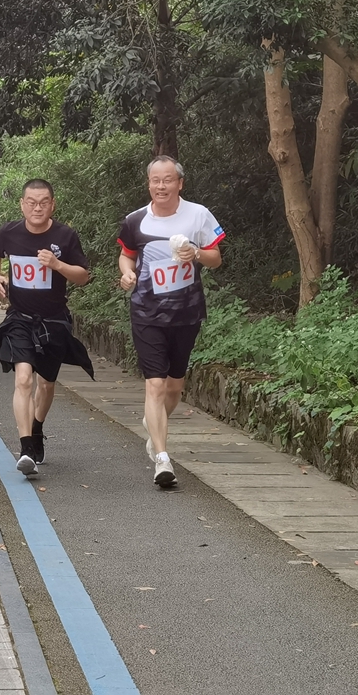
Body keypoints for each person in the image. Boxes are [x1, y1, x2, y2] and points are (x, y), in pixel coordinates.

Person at [118, 155, 224, 488]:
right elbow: (126, 255)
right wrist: (127, 273)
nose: (160, 186)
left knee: (175, 387)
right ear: (148, 184)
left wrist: (197, 253)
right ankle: (162, 459)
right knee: (155, 384)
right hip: (146, 312)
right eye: (155, 180)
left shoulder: (198, 214)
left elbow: (216, 259)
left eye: (167, 180)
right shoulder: (135, 220)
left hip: (186, 313)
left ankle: (154, 426)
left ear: (180, 183)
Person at [0, 179, 94, 476]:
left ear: (52, 205)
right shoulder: (9, 232)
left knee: (46, 384)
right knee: (23, 379)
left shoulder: (65, 236)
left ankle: (36, 428)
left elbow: (83, 277)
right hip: (19, 318)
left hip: (53, 321)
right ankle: (25, 449)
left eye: (43, 202)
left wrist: (58, 265)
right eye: (31, 202)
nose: (37, 207)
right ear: (22, 204)